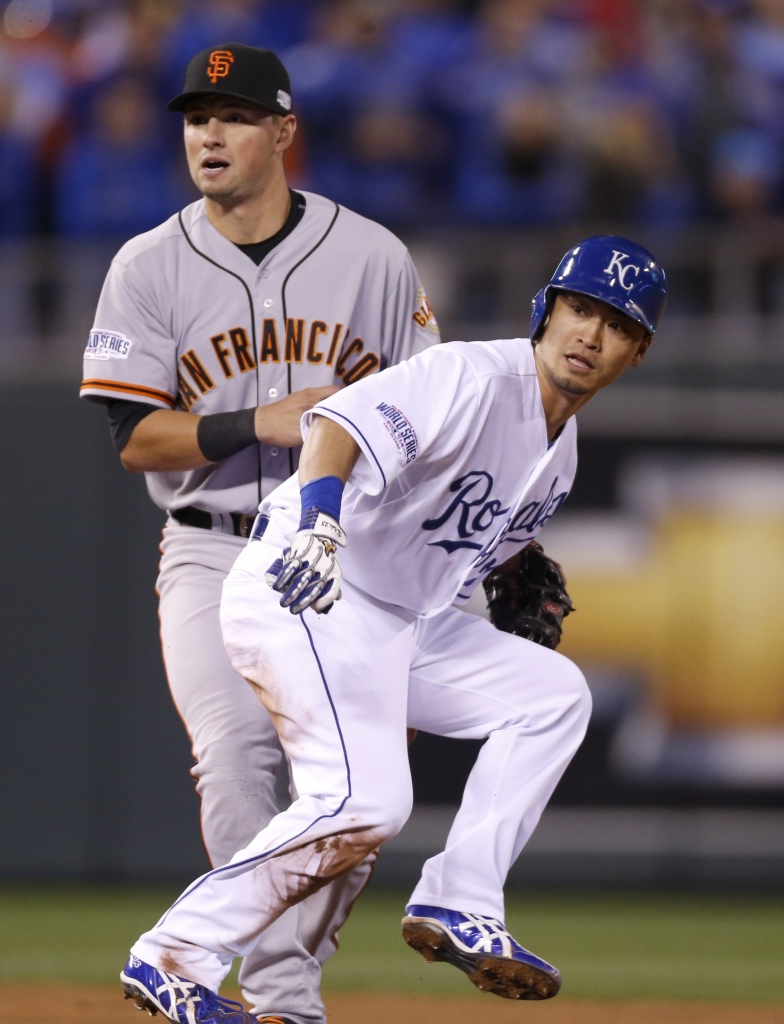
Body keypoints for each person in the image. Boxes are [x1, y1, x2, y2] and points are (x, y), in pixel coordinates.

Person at [118, 234, 668, 1022]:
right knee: (368, 801)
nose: (589, 334)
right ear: (547, 310)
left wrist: (513, 570)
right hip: (309, 583)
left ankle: (460, 900)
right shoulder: (471, 375)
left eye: (615, 324)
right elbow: (336, 425)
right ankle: (172, 955)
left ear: (637, 352)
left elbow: (481, 548)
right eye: (579, 308)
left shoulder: (562, 455)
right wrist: (319, 520)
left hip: (399, 622)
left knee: (551, 695)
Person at [79, 42, 439, 1024]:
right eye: (196, 116)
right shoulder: (148, 264)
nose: (209, 133)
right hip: (211, 541)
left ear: (283, 131)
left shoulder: (372, 256)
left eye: (233, 116)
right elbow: (133, 437)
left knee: (353, 790)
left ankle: (281, 990)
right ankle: (284, 998)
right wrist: (260, 421)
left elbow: (430, 422)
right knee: (233, 757)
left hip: (345, 555)